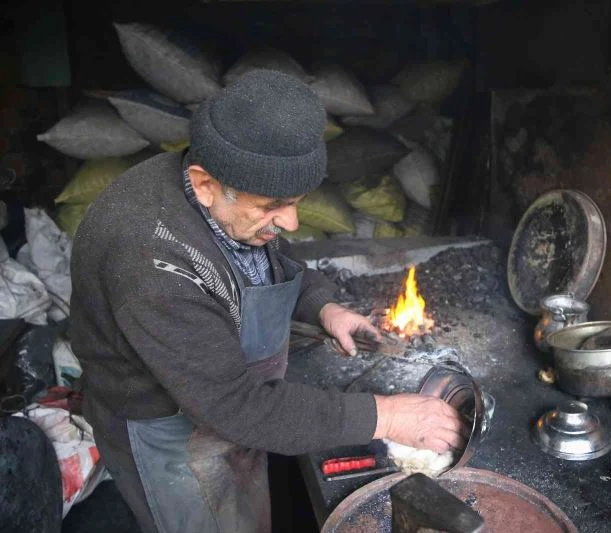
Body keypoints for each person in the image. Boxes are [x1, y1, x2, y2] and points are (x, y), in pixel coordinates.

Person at [70, 70, 465, 533]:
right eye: (273, 206)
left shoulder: (230, 199)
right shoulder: (152, 265)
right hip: (171, 433)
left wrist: (322, 305)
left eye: (297, 202)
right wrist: (388, 415)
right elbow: (239, 409)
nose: (293, 223)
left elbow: (265, 254)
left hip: (230, 402)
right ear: (204, 184)